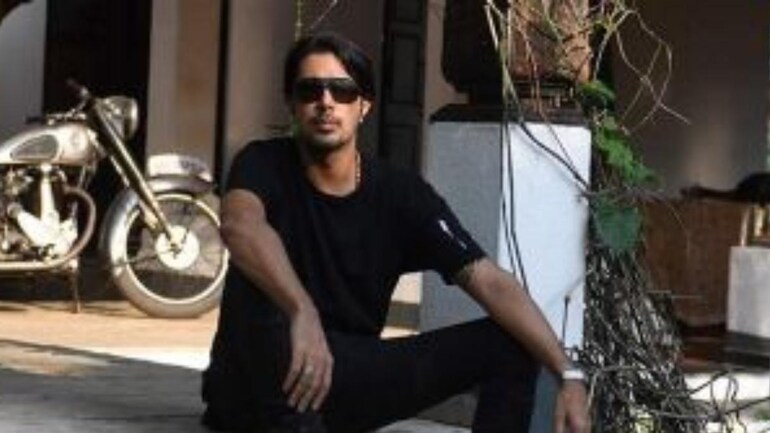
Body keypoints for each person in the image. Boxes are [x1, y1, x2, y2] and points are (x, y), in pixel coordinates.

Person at [202, 32, 590, 433]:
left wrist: (567, 373)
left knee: (511, 344)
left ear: (364, 105)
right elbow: (240, 226)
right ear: (292, 103)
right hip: (254, 392)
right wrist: (302, 310)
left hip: (346, 377)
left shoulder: (399, 194)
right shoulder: (262, 163)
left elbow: (489, 280)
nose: (326, 102)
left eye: (342, 91)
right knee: (261, 292)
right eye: (310, 90)